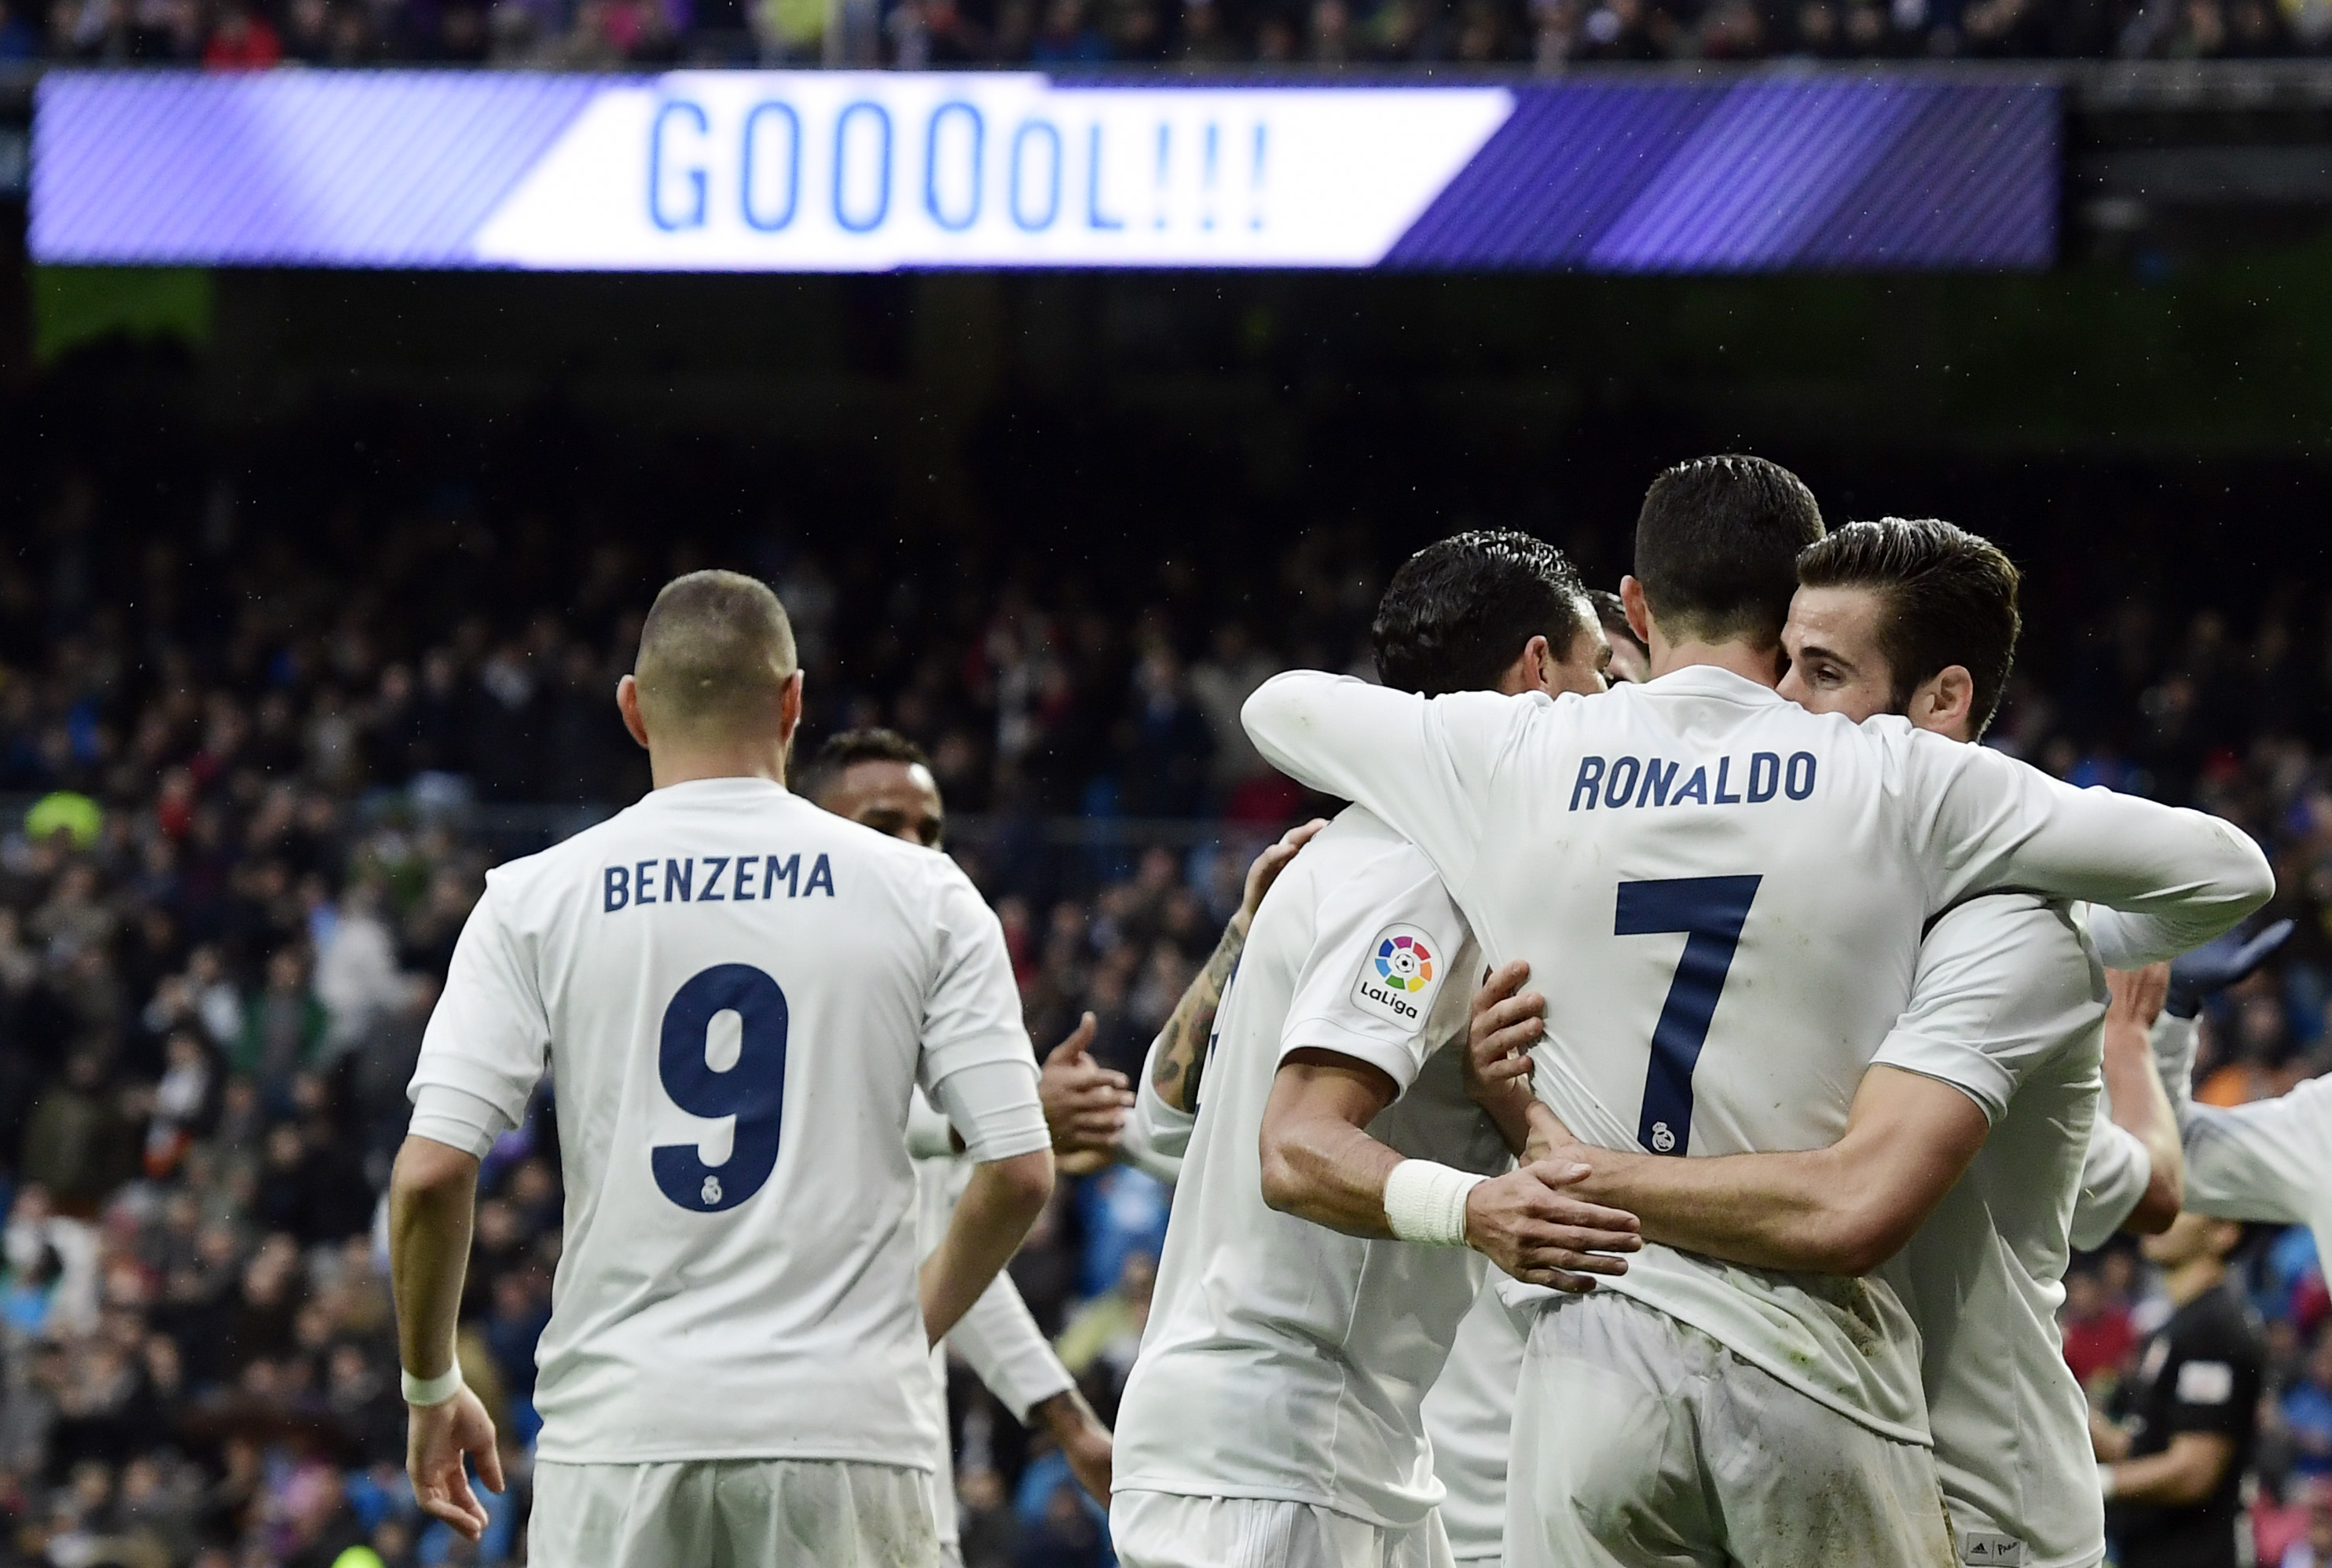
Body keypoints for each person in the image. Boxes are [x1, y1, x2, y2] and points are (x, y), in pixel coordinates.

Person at [1240, 456, 2275, 1568]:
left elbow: (1281, 705)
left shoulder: (1522, 751)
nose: (1796, 693)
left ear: (1635, 604)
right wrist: (2089, 929)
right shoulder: (1894, 782)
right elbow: (2225, 873)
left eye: (1823, 668)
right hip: (1816, 1370)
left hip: (1599, 1367)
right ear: (1781, 615)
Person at [1459, 517, 2204, 1568]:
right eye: (1781, 668)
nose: (1782, 708)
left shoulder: (2009, 932)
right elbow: (2119, 1185)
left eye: (1819, 673)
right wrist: (1520, 1087)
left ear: (1940, 702)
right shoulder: (1836, 907)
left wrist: (1565, 1165)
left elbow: (1847, 1204)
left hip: (1984, 1511)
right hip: (1810, 1447)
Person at [388, 570, 1056, 1566]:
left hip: (620, 1434)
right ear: (793, 702)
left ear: (631, 709)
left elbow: (431, 1174)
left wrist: (431, 1384)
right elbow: (1018, 1170)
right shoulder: (924, 890)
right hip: (843, 1435)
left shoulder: (531, 899)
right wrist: (892, 1336)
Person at [1109, 529, 1640, 1568]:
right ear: (1539, 672)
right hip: (1273, 1455)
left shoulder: (1389, 849)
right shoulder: (1420, 868)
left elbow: (1170, 1122)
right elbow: (1295, 1146)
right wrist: (1475, 1208)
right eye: (1604, 672)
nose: (1618, 708)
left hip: (1354, 1447)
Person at [2093, 1211, 2266, 1568]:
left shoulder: (2216, 1326)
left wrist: (2093, 1484)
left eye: (2184, 1205)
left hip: (2197, 1555)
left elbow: (2193, 1472)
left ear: (2224, 1232)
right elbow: (2141, 1448)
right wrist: (2063, 1404)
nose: (2162, 1210)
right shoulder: (2172, 1327)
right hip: (2152, 1551)